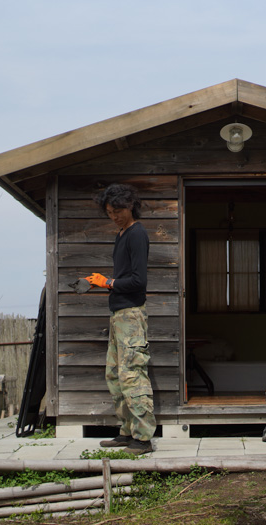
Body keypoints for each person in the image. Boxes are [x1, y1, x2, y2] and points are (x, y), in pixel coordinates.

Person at [86, 184, 156, 454]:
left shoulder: (137, 234)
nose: (114, 216)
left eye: (117, 211)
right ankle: (126, 431)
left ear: (130, 206)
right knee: (114, 375)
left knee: (132, 375)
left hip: (131, 314)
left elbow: (139, 281)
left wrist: (109, 282)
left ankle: (143, 438)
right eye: (109, 212)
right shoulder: (122, 234)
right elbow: (121, 279)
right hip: (118, 313)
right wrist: (101, 283)